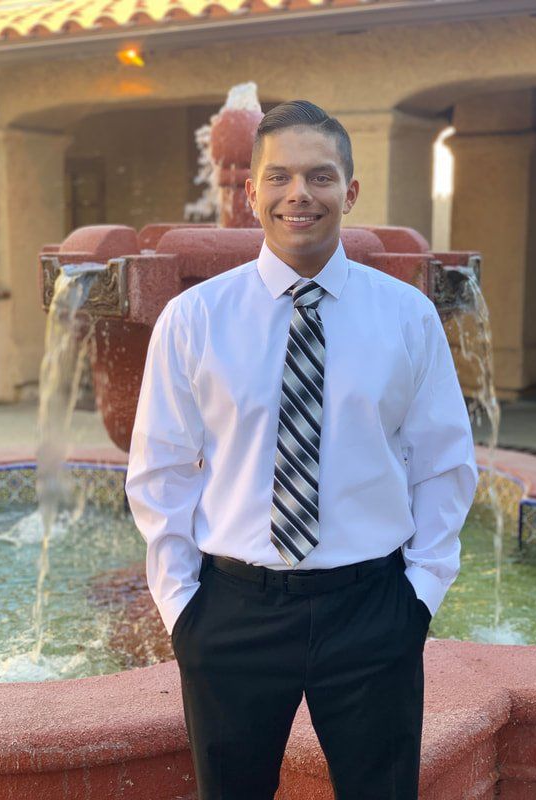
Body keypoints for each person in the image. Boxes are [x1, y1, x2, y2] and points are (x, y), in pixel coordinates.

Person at [125, 100, 479, 800]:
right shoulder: (195, 319)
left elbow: (443, 461)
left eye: (320, 176)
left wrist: (421, 596)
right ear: (250, 191)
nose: (299, 194)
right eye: (279, 176)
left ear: (349, 191)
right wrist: (182, 608)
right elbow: (160, 469)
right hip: (231, 612)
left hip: (373, 609)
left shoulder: (405, 315)